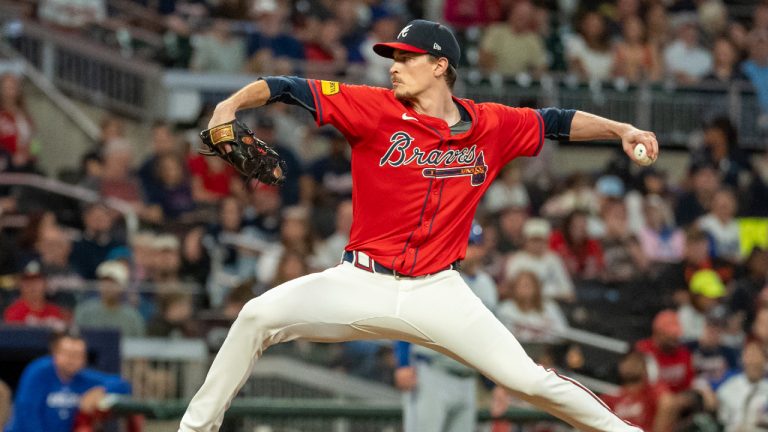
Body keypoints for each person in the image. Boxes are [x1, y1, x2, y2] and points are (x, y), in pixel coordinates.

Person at [178, 19, 658, 432]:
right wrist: (229, 107)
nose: (394, 65)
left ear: (440, 66)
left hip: (439, 291)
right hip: (361, 281)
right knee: (256, 316)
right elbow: (286, 86)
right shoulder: (373, 107)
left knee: (529, 381)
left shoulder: (491, 123)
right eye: (393, 57)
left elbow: (557, 121)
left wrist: (621, 130)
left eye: (406, 58)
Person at [393, 223, 497, 432]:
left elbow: (492, 336)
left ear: (482, 249)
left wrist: (496, 383)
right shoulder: (432, 277)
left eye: (473, 245)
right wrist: (403, 362)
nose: (468, 250)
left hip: (468, 379)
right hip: (432, 372)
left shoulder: (487, 284)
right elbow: (406, 319)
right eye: (464, 244)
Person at [3, 330, 131, 432]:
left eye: (78, 355)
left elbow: (123, 385)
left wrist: (101, 391)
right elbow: (27, 414)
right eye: (67, 354)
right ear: (55, 354)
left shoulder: (83, 377)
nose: (72, 360)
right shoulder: (39, 371)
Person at [716, 341, 768, 431]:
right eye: (749, 356)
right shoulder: (728, 388)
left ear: (765, 361)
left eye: (757, 356)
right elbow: (722, 421)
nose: (753, 361)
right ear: (743, 359)